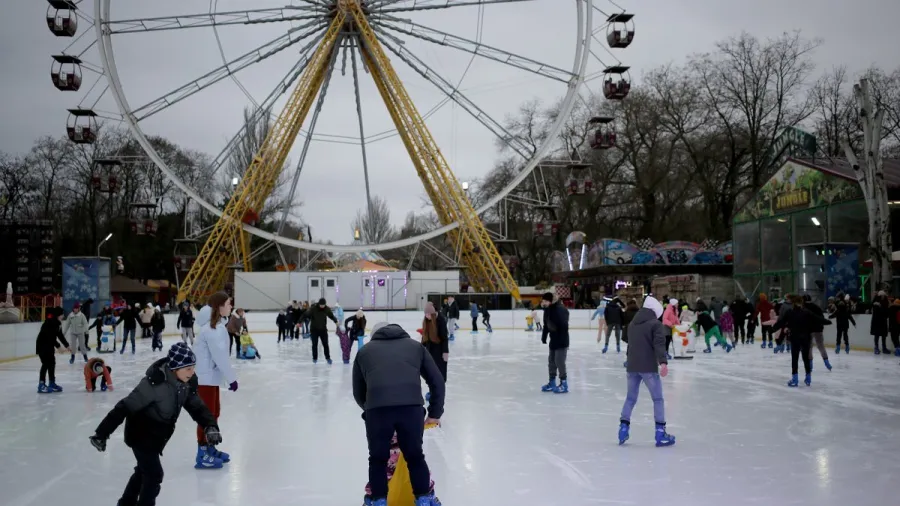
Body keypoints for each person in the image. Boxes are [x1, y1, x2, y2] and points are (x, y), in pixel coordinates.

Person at [88, 342, 223, 505]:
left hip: (158, 436)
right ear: (175, 368)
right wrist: (102, 434)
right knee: (153, 474)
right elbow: (124, 407)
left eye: (193, 367)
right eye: (188, 368)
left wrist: (210, 425)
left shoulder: (186, 383)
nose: (192, 372)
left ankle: (125, 503)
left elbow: (196, 406)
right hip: (140, 434)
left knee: (142, 472)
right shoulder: (153, 384)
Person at [352, 322, 445, 506]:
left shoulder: (364, 351)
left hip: (377, 412)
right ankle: (424, 500)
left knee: (378, 459)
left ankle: (378, 501)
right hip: (410, 410)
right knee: (415, 456)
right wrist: (434, 413)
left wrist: (371, 408)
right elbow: (437, 381)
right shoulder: (415, 347)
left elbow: (358, 391)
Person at [617, 296, 675, 447]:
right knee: (658, 399)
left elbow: (630, 345)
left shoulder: (632, 324)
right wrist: (663, 362)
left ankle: (623, 428)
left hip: (632, 366)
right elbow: (659, 344)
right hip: (648, 367)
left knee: (630, 398)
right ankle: (660, 433)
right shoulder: (655, 324)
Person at [193, 292, 238, 469]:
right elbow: (220, 357)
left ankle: (209, 447)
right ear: (219, 306)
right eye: (228, 304)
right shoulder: (212, 329)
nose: (230, 306)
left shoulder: (217, 326)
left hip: (210, 378)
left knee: (213, 413)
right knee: (206, 416)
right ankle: (202, 453)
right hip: (205, 379)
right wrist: (231, 378)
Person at [771, 295, 832, 387]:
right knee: (805, 358)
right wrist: (827, 321)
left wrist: (772, 329)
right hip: (805, 338)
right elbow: (818, 319)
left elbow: (781, 323)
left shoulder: (790, 312)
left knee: (795, 359)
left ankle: (795, 379)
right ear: (801, 303)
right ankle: (808, 378)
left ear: (793, 303)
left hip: (795, 338)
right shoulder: (806, 312)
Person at [540, 292, 570, 394]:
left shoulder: (560, 309)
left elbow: (563, 325)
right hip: (553, 339)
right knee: (551, 361)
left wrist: (560, 335)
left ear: (549, 301)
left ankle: (564, 384)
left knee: (559, 362)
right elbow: (546, 324)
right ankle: (552, 382)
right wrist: (544, 336)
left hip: (561, 340)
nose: (542, 303)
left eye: (544, 301)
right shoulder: (548, 310)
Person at [36, 307, 70, 393]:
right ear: (58, 315)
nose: (63, 316)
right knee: (46, 364)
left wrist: (67, 345)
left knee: (52, 363)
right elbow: (50, 337)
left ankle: (52, 383)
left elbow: (60, 335)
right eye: (62, 314)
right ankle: (41, 384)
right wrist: (58, 346)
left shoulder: (58, 323)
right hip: (42, 346)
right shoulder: (50, 322)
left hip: (49, 346)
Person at [300, 298, 339, 364]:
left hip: (323, 330)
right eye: (321, 305)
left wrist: (336, 321)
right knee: (314, 345)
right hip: (314, 330)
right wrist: (300, 322)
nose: (322, 306)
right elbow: (305, 315)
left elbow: (331, 316)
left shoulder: (326, 309)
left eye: (323, 305)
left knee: (325, 344)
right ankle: (315, 358)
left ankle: (328, 358)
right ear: (319, 304)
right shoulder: (313, 308)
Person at [421, 302, 449, 384]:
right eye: (426, 314)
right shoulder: (426, 321)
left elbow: (444, 338)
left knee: (439, 371)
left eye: (429, 314)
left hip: (439, 349)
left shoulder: (440, 320)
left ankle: (438, 389)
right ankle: (432, 389)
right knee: (429, 371)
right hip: (430, 348)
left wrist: (445, 352)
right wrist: (421, 347)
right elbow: (425, 337)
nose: (427, 316)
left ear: (433, 314)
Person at [803, 294, 832, 371]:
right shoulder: (817, 307)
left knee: (809, 347)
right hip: (818, 329)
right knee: (821, 345)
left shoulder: (803, 308)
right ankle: (826, 361)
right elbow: (821, 318)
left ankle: (810, 364)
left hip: (808, 330)